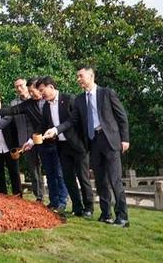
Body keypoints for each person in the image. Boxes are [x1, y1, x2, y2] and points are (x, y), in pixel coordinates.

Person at [44, 66, 130, 227]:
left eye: (80, 76)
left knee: (115, 179)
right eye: (77, 77)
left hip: (110, 140)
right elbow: (71, 121)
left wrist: (125, 139)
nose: (78, 79)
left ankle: (122, 217)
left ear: (91, 76)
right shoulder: (78, 100)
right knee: (100, 180)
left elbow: (121, 116)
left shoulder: (107, 93)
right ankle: (105, 214)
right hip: (94, 142)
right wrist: (55, 130)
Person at [0, 78, 68, 211]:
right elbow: (12, 110)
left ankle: (62, 201)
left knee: (58, 172)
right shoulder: (27, 104)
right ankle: (53, 201)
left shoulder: (47, 103)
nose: (32, 94)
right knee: (49, 173)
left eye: (34, 91)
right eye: (31, 92)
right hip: (36, 140)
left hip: (54, 141)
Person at [37, 76, 94, 218]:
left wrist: (56, 130)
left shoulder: (69, 99)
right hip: (61, 146)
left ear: (51, 87)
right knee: (68, 178)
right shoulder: (45, 106)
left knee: (82, 177)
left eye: (42, 90)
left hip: (77, 145)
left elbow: (74, 121)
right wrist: (33, 140)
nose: (41, 94)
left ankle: (89, 208)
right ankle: (77, 207)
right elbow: (43, 126)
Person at [11, 78, 44, 202]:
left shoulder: (36, 100)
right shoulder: (14, 103)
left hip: (39, 138)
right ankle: (39, 197)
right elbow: (8, 118)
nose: (19, 89)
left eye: (21, 85)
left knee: (46, 167)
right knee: (33, 169)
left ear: (27, 86)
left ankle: (57, 199)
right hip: (24, 141)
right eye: (16, 87)